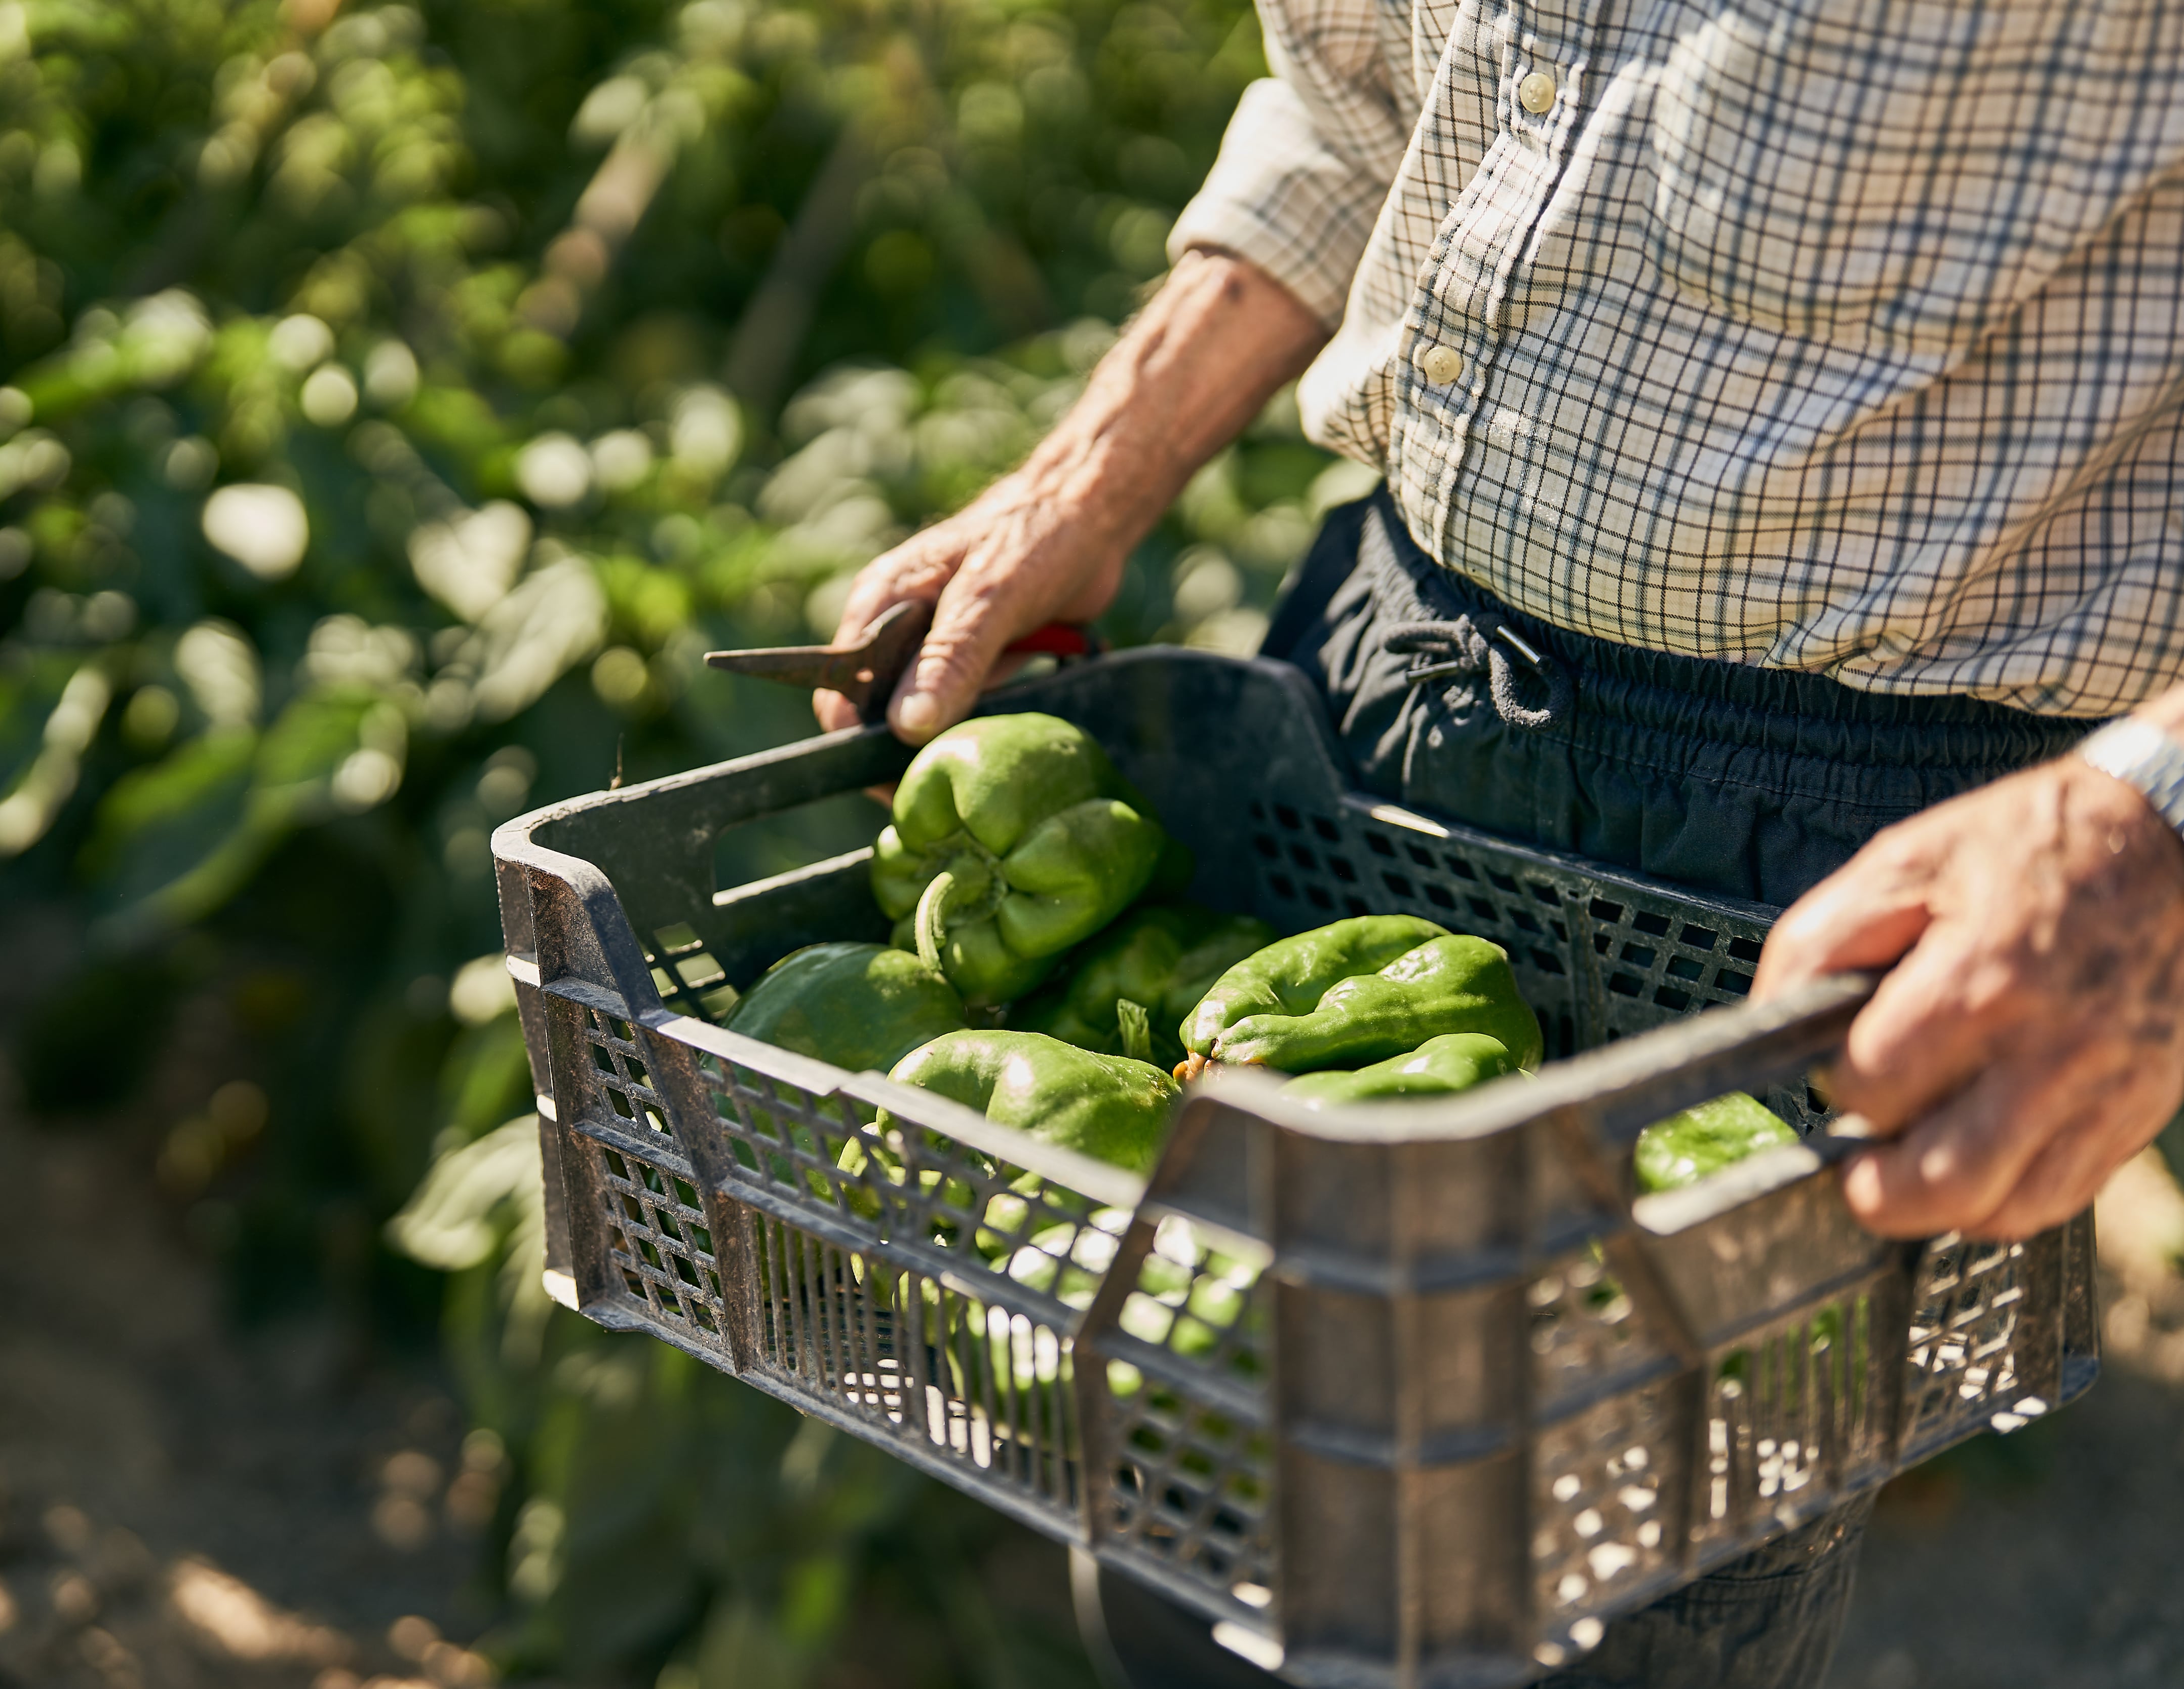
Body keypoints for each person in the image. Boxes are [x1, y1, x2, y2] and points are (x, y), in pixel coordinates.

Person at [811, 4, 2184, 1684]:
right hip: (1378, 666)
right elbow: (1361, 96)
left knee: (1608, 1614)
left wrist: (2154, 809)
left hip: (1831, 822)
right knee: (1194, 1514)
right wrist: (1098, 467)